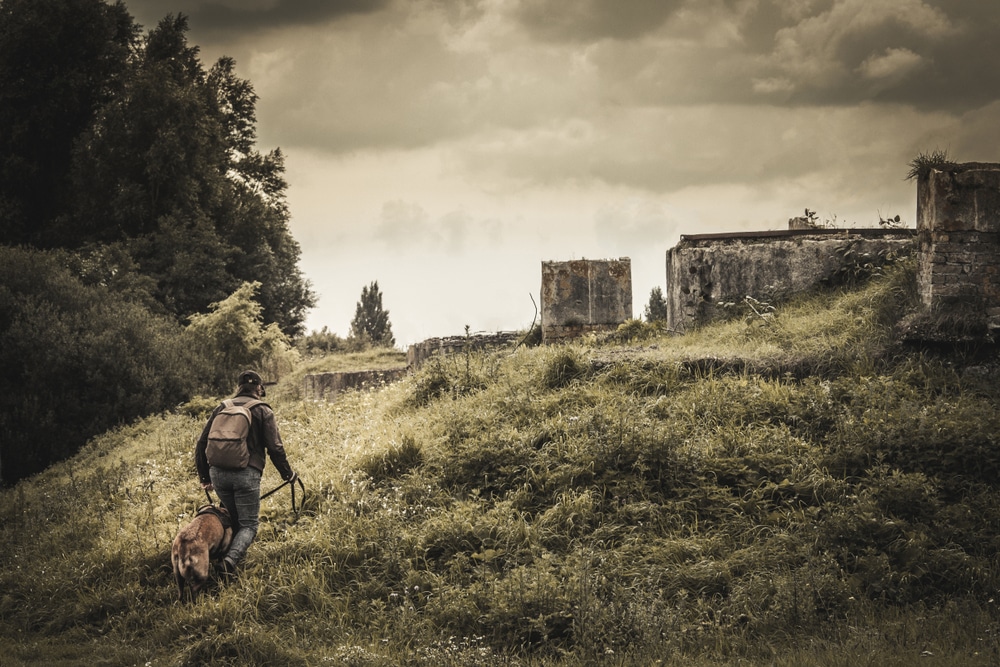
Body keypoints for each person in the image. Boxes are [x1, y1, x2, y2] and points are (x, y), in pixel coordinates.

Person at [195, 369, 296, 576]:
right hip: (246, 475)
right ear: (259, 388)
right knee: (249, 525)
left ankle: (220, 555)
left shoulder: (222, 407)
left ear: (238, 387)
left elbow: (201, 443)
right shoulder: (263, 411)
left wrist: (205, 476)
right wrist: (288, 474)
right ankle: (229, 563)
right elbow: (275, 448)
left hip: (218, 474)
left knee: (232, 518)